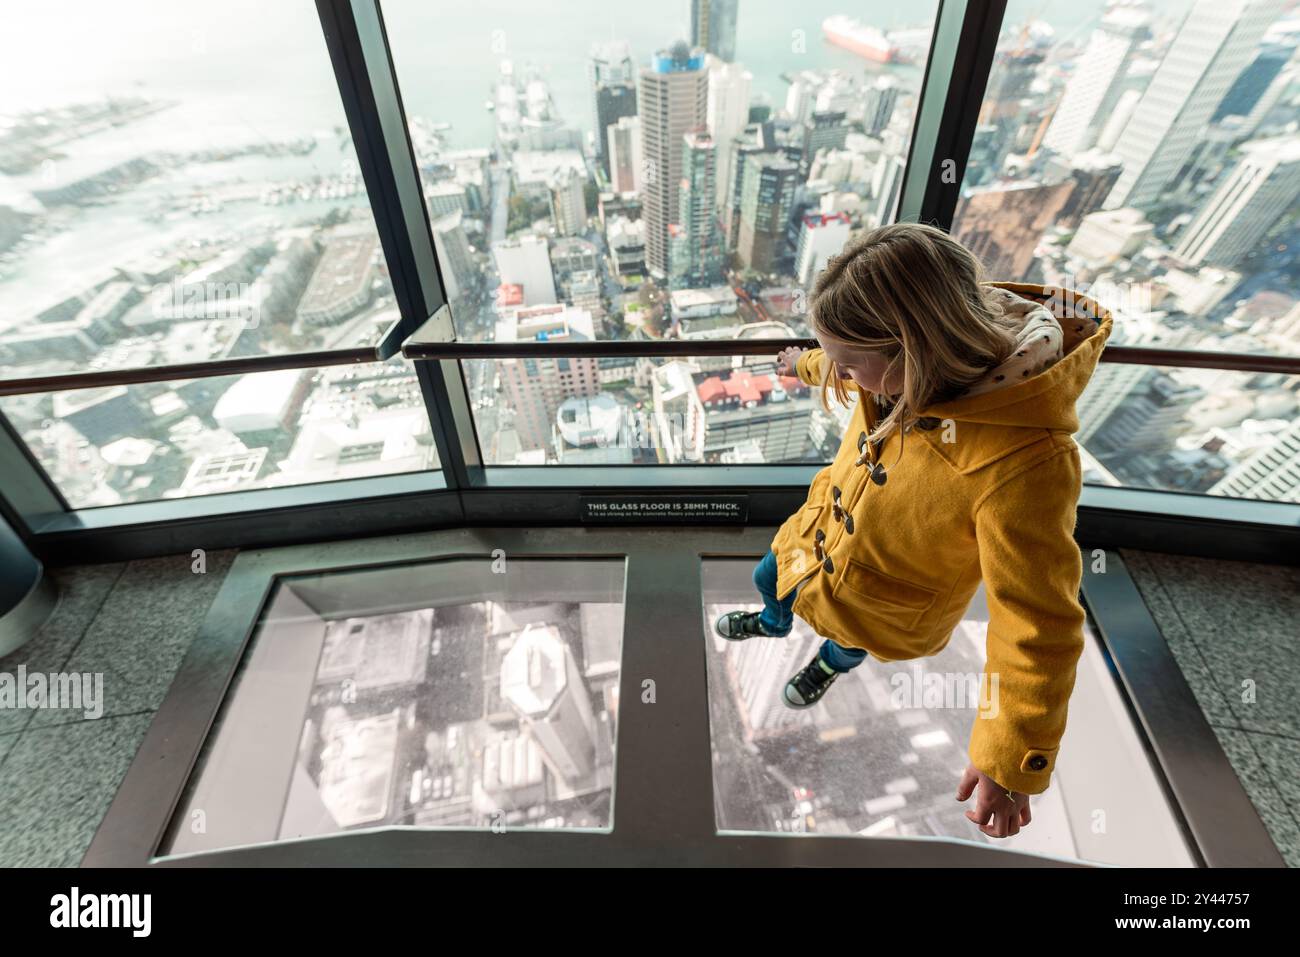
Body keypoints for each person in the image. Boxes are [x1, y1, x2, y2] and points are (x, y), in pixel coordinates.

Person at [714, 222, 1113, 838]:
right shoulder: (914, 368)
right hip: (812, 542)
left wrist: (1010, 759)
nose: (844, 378)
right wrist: (807, 365)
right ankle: (773, 620)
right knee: (768, 576)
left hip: (883, 600)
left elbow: (1035, 625)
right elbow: (847, 367)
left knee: (850, 642)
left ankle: (827, 665)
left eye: (851, 364)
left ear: (912, 350)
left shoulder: (1024, 463)